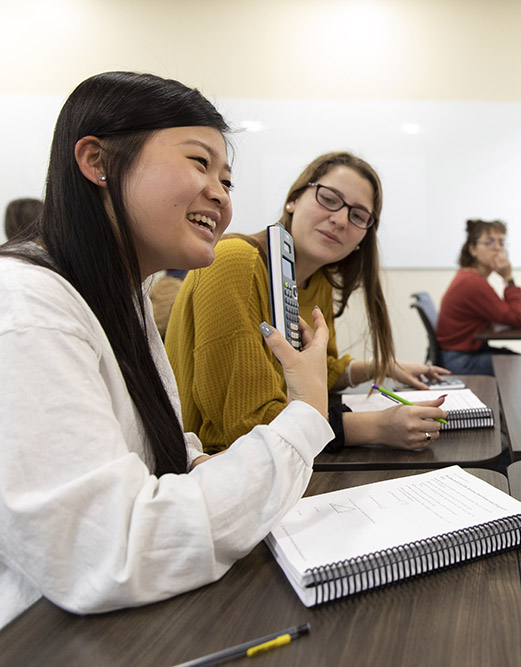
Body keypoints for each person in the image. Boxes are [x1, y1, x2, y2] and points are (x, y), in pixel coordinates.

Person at [0, 71, 332, 629]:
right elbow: (111, 553)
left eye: (227, 180)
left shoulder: (120, 297)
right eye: (200, 164)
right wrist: (306, 414)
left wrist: (198, 463)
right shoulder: (28, 311)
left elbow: (150, 444)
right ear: (97, 161)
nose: (221, 195)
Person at [166, 152, 449, 453]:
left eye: (358, 216)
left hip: (280, 463)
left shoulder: (318, 280)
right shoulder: (235, 262)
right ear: (294, 199)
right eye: (328, 198)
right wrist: (375, 426)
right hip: (213, 468)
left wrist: (382, 367)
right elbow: (245, 425)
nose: (340, 219)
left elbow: (313, 372)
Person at [436, 219, 521, 376]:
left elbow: (502, 312)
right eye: (489, 242)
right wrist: (508, 277)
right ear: (472, 249)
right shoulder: (472, 282)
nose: (497, 248)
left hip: (460, 354)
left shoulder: (470, 277)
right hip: (460, 360)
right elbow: (517, 319)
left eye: (501, 242)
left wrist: (518, 303)